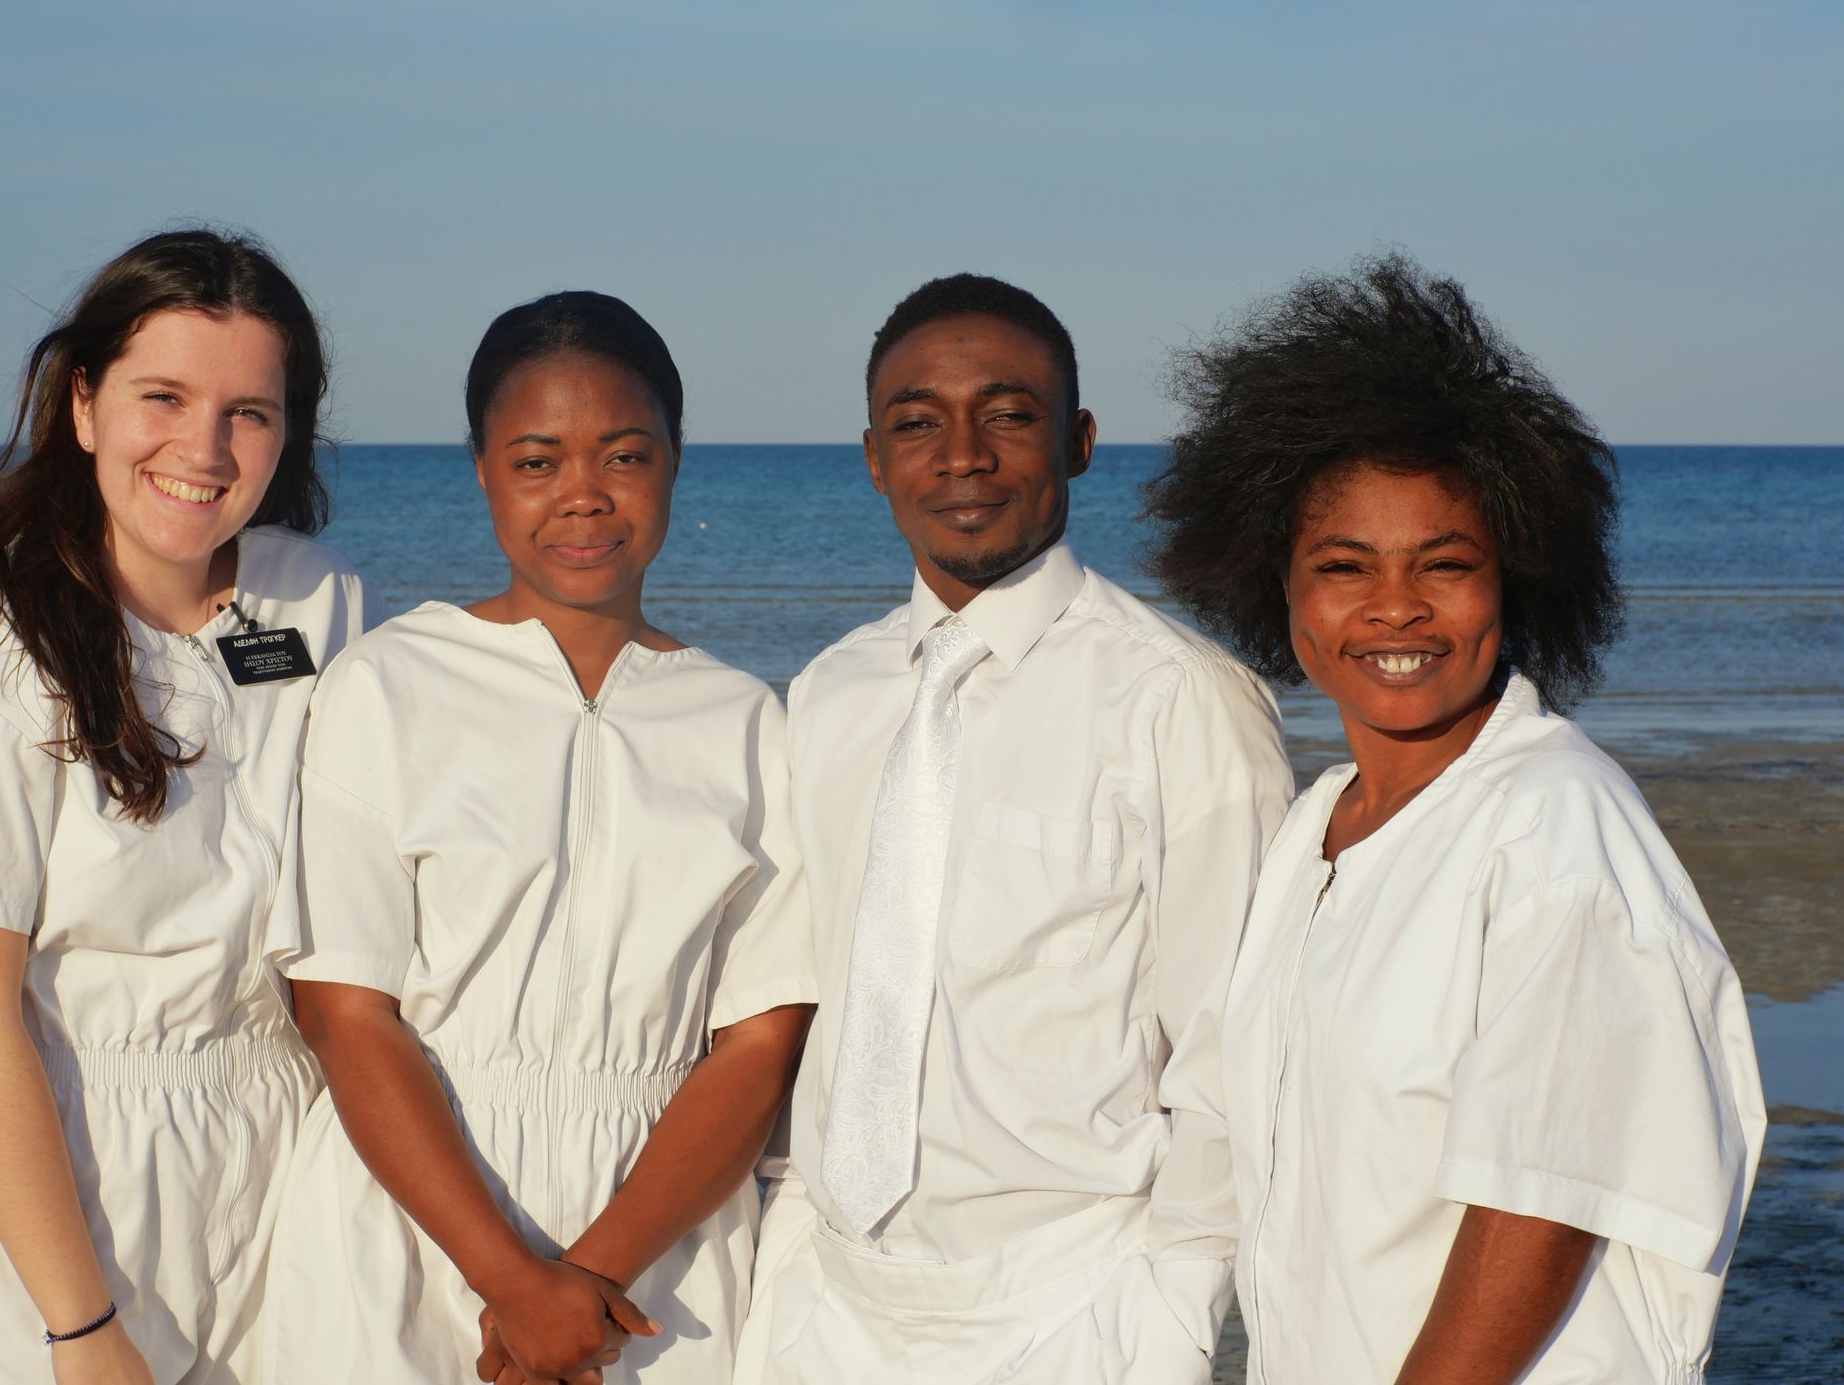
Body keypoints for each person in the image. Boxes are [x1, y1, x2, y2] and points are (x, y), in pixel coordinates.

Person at [1144, 254, 1766, 1382]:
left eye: (1445, 564)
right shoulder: (1315, 829)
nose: (1394, 606)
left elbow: (1538, 1206)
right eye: (1343, 565)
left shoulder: (1554, 822)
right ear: (1274, 587)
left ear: (1513, 582)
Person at [0, 229, 382, 1383]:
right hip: (51, 1178)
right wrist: (81, 1332)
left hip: (275, 1155)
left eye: (250, 410)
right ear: (82, 402)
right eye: (163, 396)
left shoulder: (318, 604)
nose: (204, 446)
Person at [734, 275, 1294, 1384]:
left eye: (1006, 413)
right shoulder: (830, 693)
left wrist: (1170, 1310)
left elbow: (1235, 1049)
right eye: (916, 424)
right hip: (822, 1293)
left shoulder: (1180, 699)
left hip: (1071, 1306)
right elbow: (812, 993)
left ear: (1077, 440)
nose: (962, 455)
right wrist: (785, 1235)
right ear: (871, 457)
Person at [264, 291, 817, 1385]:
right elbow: (345, 1012)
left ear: (672, 460)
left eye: (622, 455)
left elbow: (757, 1042)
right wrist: (509, 1281)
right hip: (415, 1219)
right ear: (480, 469)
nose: (582, 496)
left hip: (662, 1248)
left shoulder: (741, 717)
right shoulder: (388, 684)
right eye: (535, 461)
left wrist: (588, 1284)